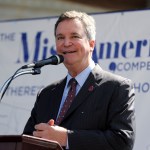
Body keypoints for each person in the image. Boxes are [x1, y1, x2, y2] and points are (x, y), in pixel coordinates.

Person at [23, 10, 136, 150]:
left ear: (91, 44)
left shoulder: (117, 88)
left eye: (74, 36)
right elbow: (26, 140)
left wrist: (66, 138)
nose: (66, 43)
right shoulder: (46, 94)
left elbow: (122, 141)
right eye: (60, 37)